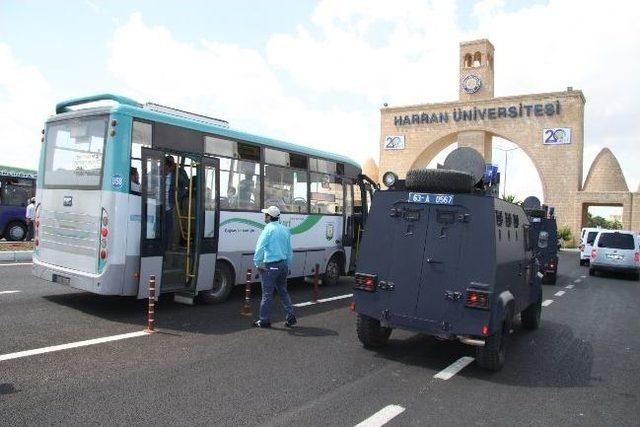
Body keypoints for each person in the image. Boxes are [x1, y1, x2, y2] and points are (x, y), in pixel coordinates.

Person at [252, 205, 296, 328]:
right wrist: (287, 264)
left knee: (267, 294)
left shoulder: (268, 229)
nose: (264, 216)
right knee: (283, 291)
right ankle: (291, 316)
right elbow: (289, 250)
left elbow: (260, 247)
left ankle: (264, 320)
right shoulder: (285, 229)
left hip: (271, 266)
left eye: (265, 214)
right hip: (283, 265)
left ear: (269, 217)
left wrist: (257, 263)